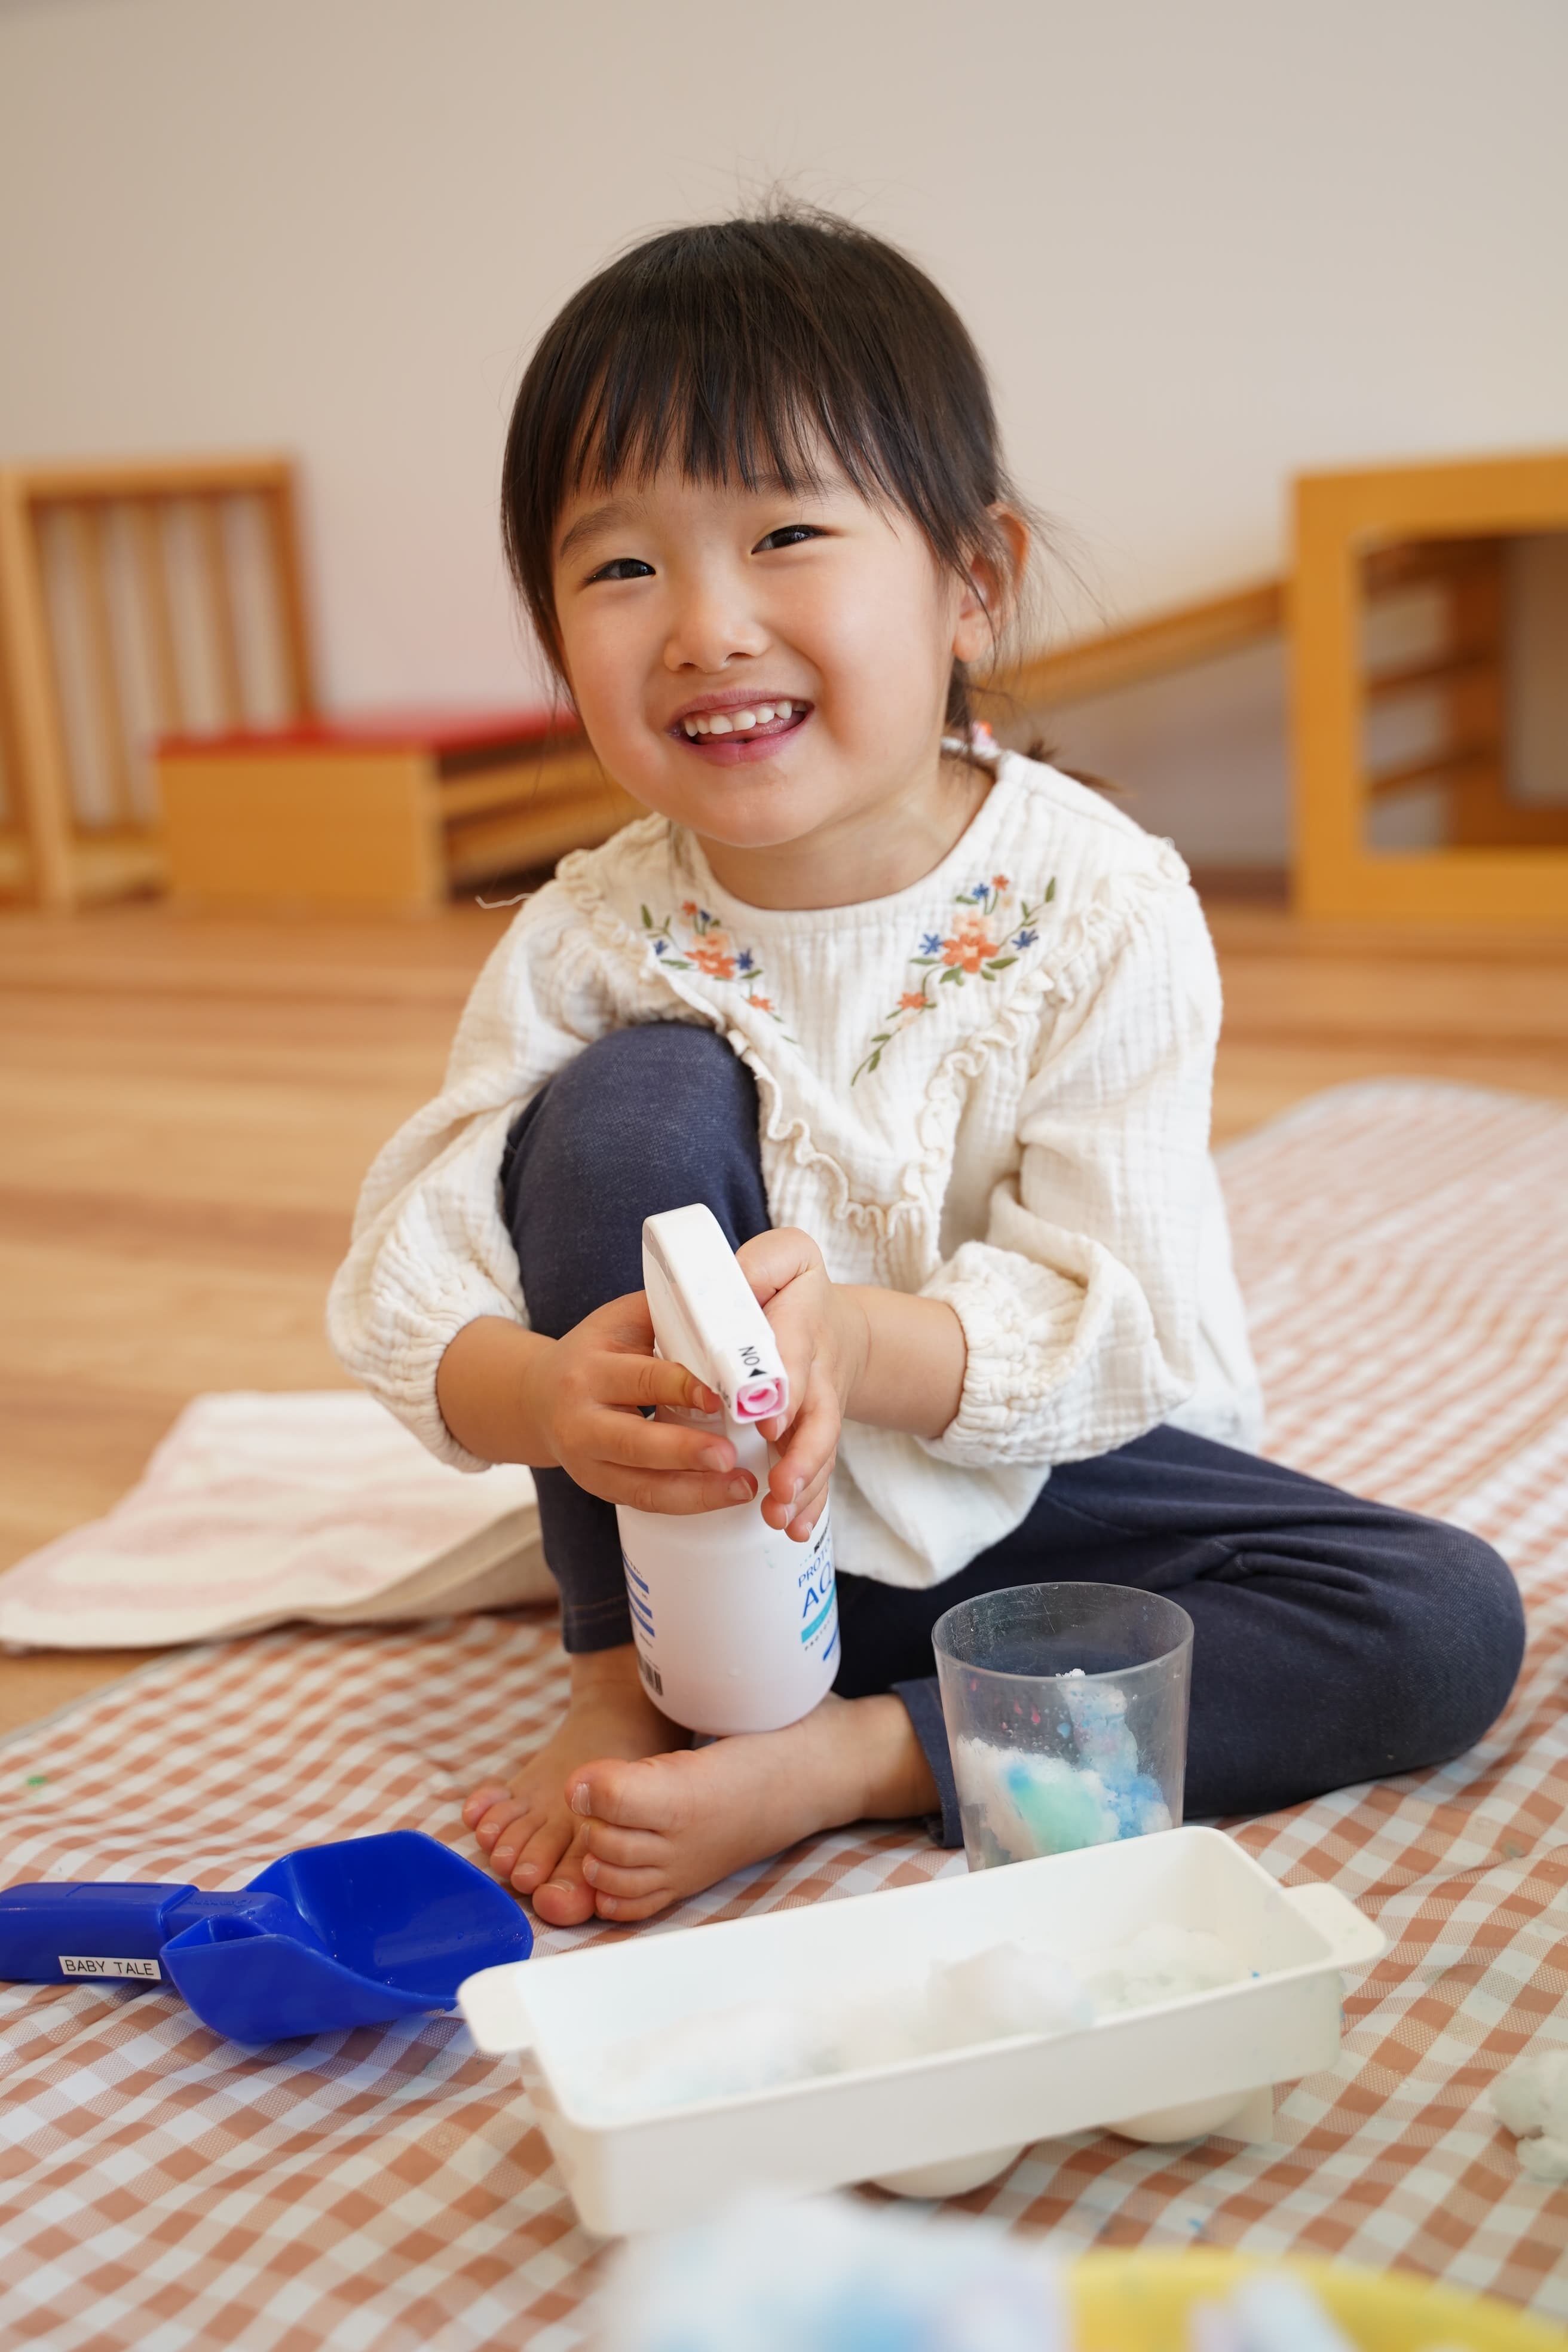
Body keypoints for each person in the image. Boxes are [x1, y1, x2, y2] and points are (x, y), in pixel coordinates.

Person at [328, 207, 1524, 1929]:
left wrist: (853, 1345)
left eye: (786, 534)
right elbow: (416, 1266)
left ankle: (851, 1755)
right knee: (627, 1102)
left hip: (1039, 1510)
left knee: (1441, 1619)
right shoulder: (593, 934)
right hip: (715, 1543)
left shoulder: (1099, 903)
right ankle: (631, 1684)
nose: (706, 626)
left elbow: (1114, 1324)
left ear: (973, 585)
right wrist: (546, 1399)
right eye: (621, 568)